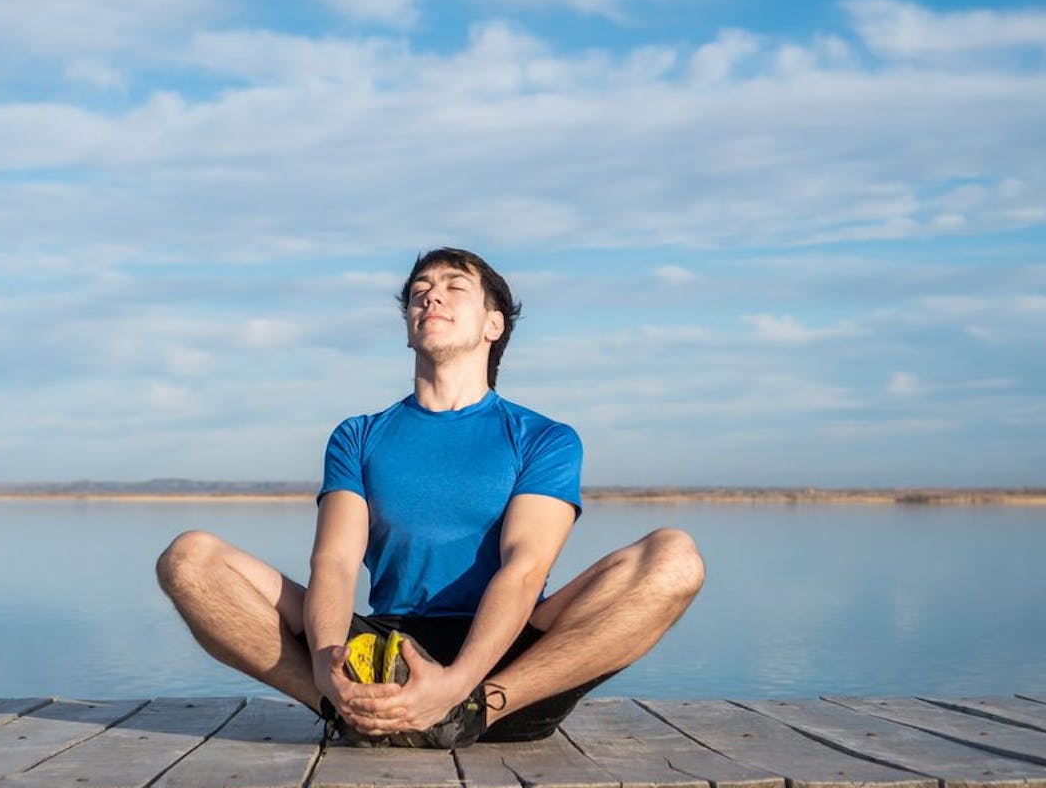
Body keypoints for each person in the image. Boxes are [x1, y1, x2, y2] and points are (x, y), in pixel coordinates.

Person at [156, 247, 704, 748]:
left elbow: (524, 567)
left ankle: (466, 716)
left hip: (504, 671)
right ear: (409, 330)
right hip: (379, 654)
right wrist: (328, 668)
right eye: (420, 289)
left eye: (453, 286)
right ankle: (342, 708)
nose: (430, 294)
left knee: (675, 557)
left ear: (494, 324)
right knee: (189, 558)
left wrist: (459, 688)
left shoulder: (543, 438)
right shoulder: (360, 435)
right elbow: (335, 561)